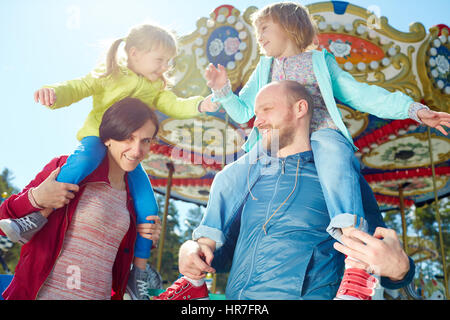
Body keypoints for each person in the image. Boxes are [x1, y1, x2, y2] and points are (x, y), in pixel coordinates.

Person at [202, 2, 449, 299]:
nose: (260, 37)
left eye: (265, 28)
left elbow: (361, 94)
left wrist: (413, 110)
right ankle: (205, 237)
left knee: (335, 157)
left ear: (289, 26)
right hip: (243, 292)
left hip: (323, 131)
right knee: (228, 175)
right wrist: (223, 91)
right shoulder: (264, 68)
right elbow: (243, 113)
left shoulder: (319, 61)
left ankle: (353, 247)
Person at [0, 23, 218, 299]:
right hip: (94, 138)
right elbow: (78, 87)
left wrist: (201, 104)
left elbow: (175, 104)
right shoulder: (111, 76)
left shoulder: (154, 89)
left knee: (149, 207)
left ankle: (138, 274)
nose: (164, 67)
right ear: (135, 53)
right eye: (159, 60)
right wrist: (54, 94)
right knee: (83, 162)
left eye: (145, 140)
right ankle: (36, 219)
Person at [154, 81, 415, 300]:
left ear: (300, 108)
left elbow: (380, 254)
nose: (258, 122)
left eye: (267, 110)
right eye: (256, 114)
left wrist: (400, 270)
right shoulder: (246, 181)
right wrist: (189, 250)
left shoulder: (340, 178)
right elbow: (219, 259)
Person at [0, 97, 163, 300]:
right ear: (109, 137)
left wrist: (147, 237)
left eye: (145, 141)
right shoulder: (63, 168)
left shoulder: (135, 199)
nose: (137, 150)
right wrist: (36, 198)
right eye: (128, 138)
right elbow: (3, 220)